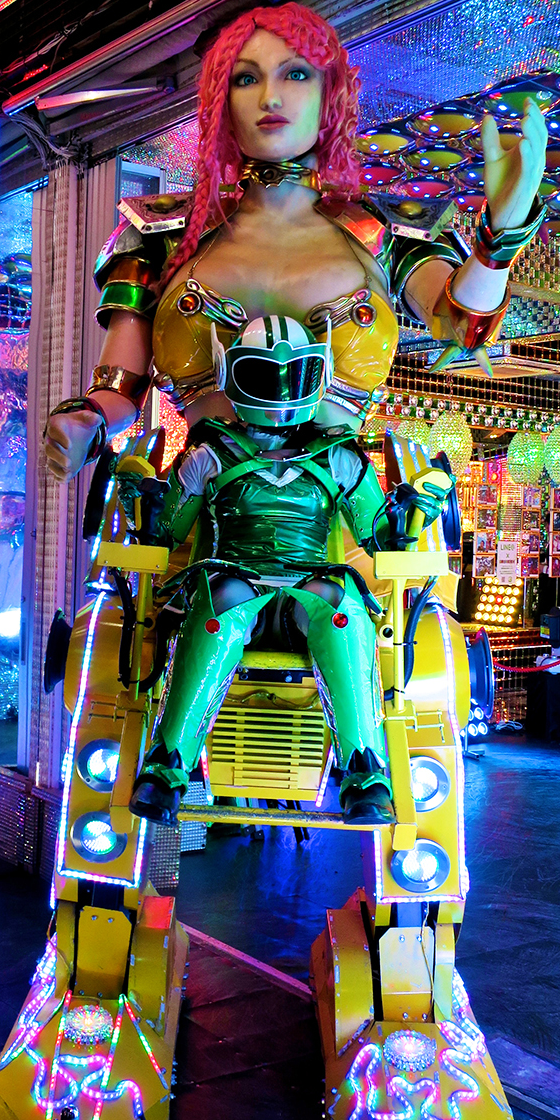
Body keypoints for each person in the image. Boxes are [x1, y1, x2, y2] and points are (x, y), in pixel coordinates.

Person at [43, 1, 547, 812]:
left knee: (365, 628)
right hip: (211, 507)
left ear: (330, 91)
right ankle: (169, 764)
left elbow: (462, 318)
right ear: (220, 99)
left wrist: (501, 234)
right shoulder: (160, 237)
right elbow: (120, 385)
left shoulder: (380, 237)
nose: (270, 95)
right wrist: (89, 418)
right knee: (146, 648)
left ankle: (363, 766)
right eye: (245, 78)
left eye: (295, 73)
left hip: (336, 528)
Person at [128, 314, 448, 825]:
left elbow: (379, 536)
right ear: (231, 372)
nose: (279, 391)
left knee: (340, 603)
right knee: (220, 601)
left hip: (308, 590)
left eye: (293, 374)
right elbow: (165, 533)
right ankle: (166, 767)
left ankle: (365, 771)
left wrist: (417, 510)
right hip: (235, 578)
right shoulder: (210, 453)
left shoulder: (339, 457)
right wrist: (143, 500)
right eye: (262, 374)